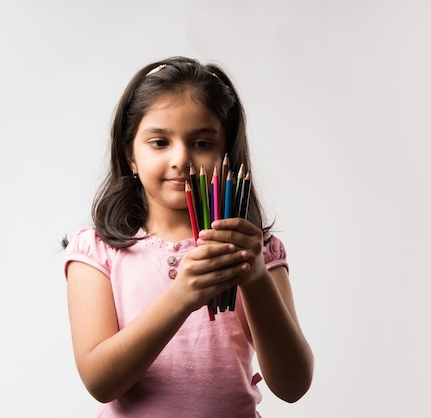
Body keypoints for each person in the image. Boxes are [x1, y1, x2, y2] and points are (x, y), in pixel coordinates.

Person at [63, 56, 313, 417]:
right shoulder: (98, 251)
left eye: (201, 143)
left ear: (226, 153)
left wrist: (255, 276)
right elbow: (100, 383)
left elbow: (293, 386)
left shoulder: (256, 249)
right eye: (160, 142)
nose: (181, 158)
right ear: (129, 154)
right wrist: (181, 297)